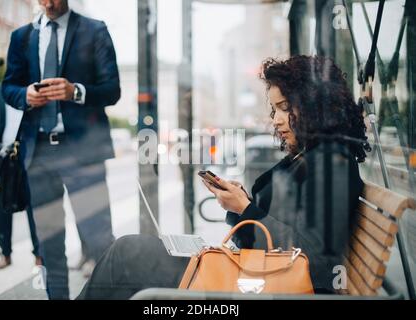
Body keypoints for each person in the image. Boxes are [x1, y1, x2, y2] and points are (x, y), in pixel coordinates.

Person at [77, 55, 370, 299]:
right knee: (130, 252)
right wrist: (240, 204)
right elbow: (282, 231)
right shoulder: (312, 156)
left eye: (284, 108)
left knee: (127, 254)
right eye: (274, 109)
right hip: (252, 274)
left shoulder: (333, 163)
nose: (275, 120)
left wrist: (245, 208)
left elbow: (316, 260)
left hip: (261, 286)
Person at [2, 0, 121, 299]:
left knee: (99, 240)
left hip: (83, 152)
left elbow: (112, 90)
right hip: (39, 153)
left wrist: (75, 91)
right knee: (49, 244)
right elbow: (8, 87)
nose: (48, 3)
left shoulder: (95, 30)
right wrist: (24, 95)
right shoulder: (21, 37)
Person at [0, 84, 42, 270]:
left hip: (28, 155)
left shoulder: (34, 87)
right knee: (3, 206)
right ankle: (6, 253)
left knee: (33, 205)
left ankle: (39, 253)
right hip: (3, 156)